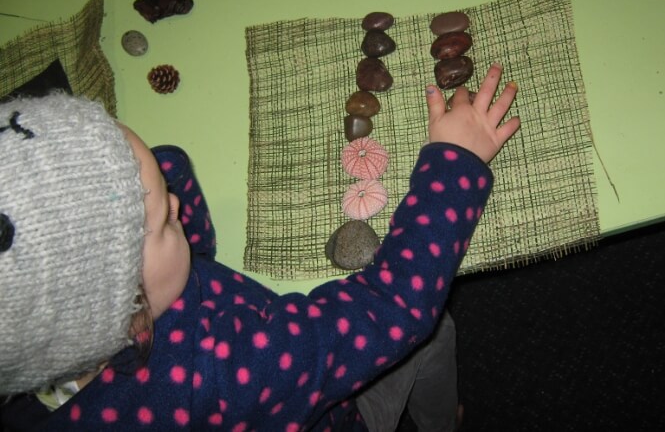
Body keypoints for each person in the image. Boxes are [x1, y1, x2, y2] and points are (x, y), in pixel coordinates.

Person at [0, 63, 520, 431]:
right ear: (132, 312)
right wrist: (454, 161)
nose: (178, 206)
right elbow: (394, 308)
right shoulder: (225, 369)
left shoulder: (40, 349)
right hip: (334, 416)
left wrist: (145, 187)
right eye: (161, 219)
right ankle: (439, 421)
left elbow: (187, 254)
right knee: (435, 331)